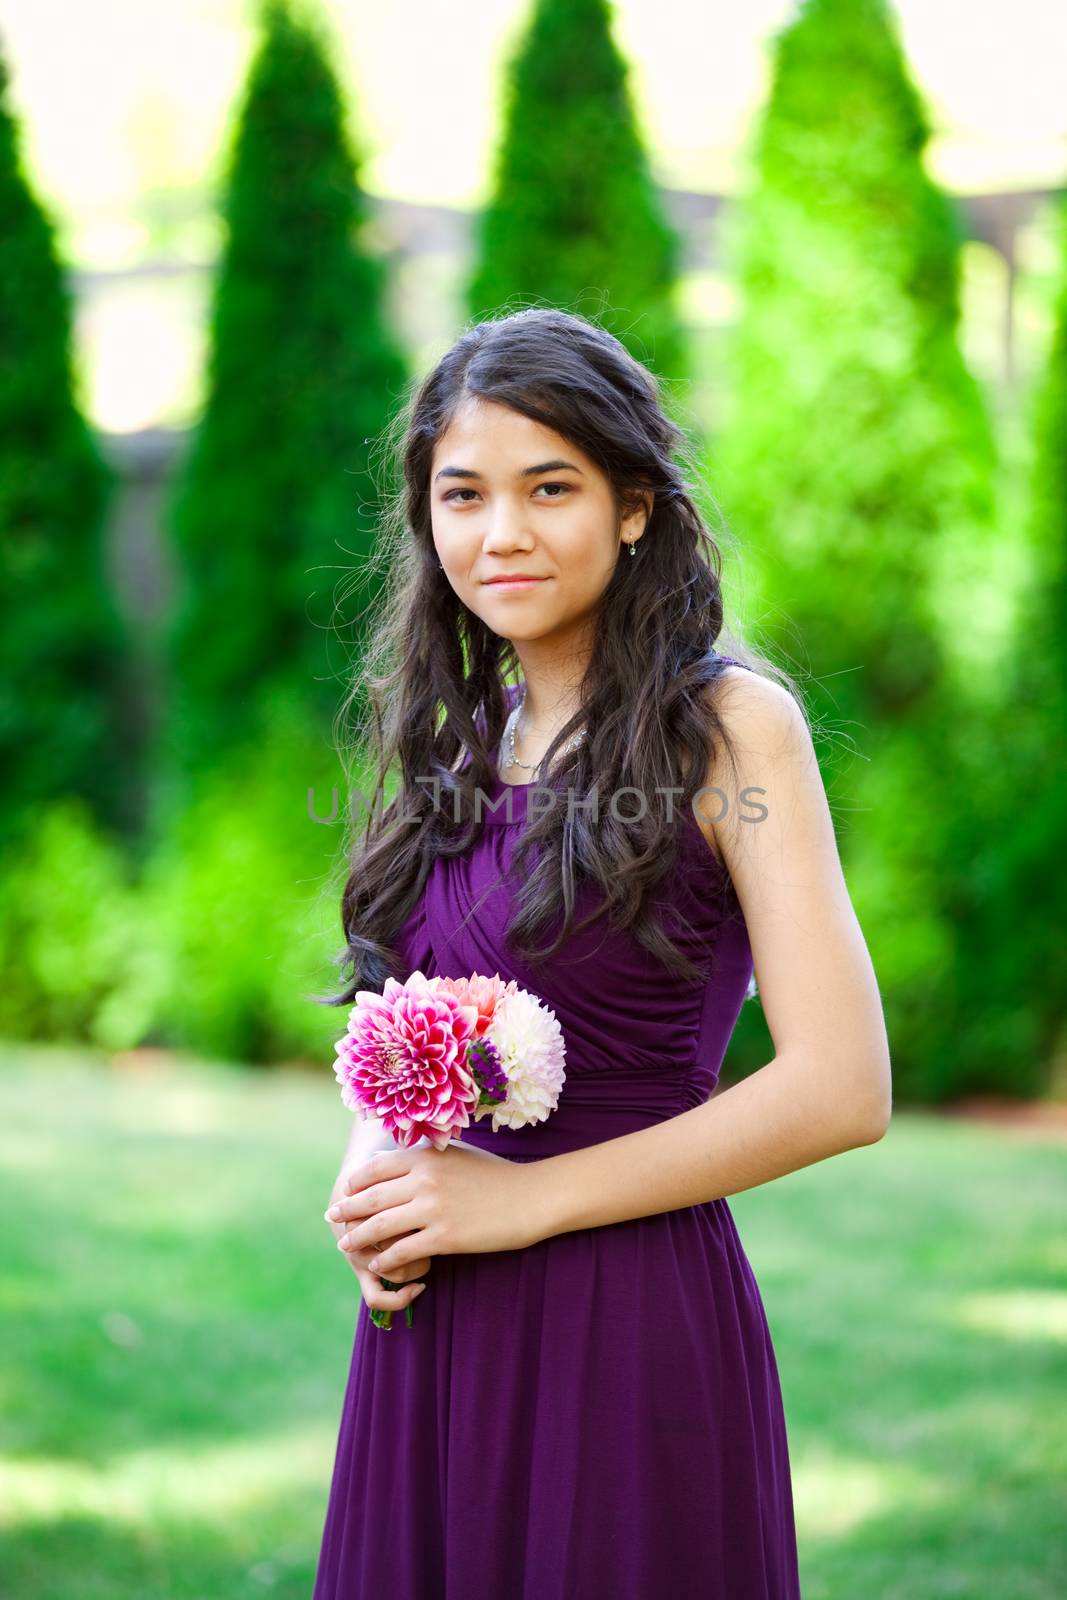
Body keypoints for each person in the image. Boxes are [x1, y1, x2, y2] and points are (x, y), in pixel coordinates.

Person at [312, 307, 892, 1598]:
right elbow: (390, 1016)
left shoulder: (730, 729)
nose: (500, 532)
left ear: (634, 507)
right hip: (431, 1326)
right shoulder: (450, 740)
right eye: (461, 495)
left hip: (625, 1320)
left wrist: (521, 1203)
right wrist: (376, 1173)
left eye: (550, 488)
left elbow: (843, 1087)